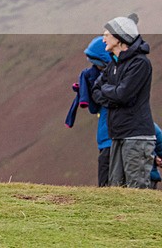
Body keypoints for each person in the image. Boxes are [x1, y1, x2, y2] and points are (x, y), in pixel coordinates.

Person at [92, 13, 156, 188]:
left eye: (106, 35)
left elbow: (123, 95)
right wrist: (113, 94)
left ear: (120, 38)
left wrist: (109, 92)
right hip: (118, 135)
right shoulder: (113, 65)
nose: (103, 39)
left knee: (136, 191)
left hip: (137, 136)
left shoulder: (140, 64)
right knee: (117, 190)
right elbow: (95, 91)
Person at [65, 36, 113, 186]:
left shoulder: (116, 81)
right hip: (106, 139)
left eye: (97, 65)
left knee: (110, 182)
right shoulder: (103, 79)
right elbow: (94, 108)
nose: (95, 68)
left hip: (112, 139)